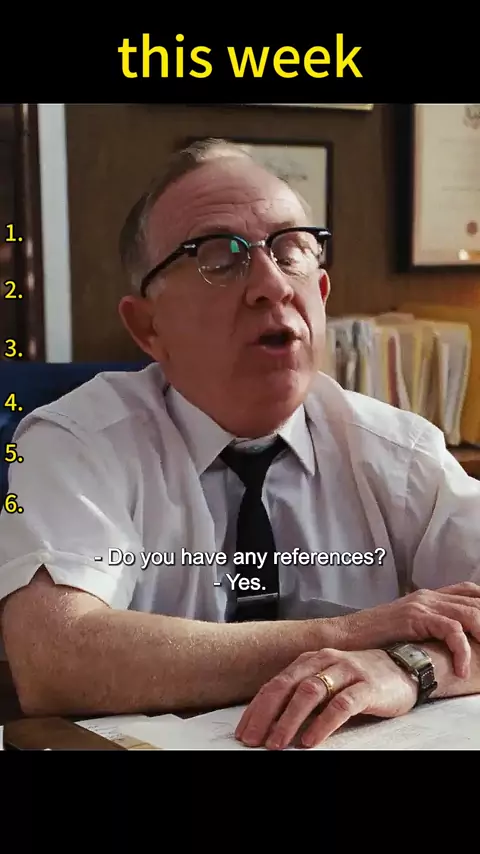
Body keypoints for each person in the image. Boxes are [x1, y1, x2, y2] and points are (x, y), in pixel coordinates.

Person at [1, 138, 480, 751]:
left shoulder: (399, 451)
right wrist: (352, 633)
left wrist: (410, 666)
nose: (271, 285)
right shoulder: (74, 441)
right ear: (148, 326)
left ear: (321, 295)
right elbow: (55, 656)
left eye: (291, 250)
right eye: (219, 258)